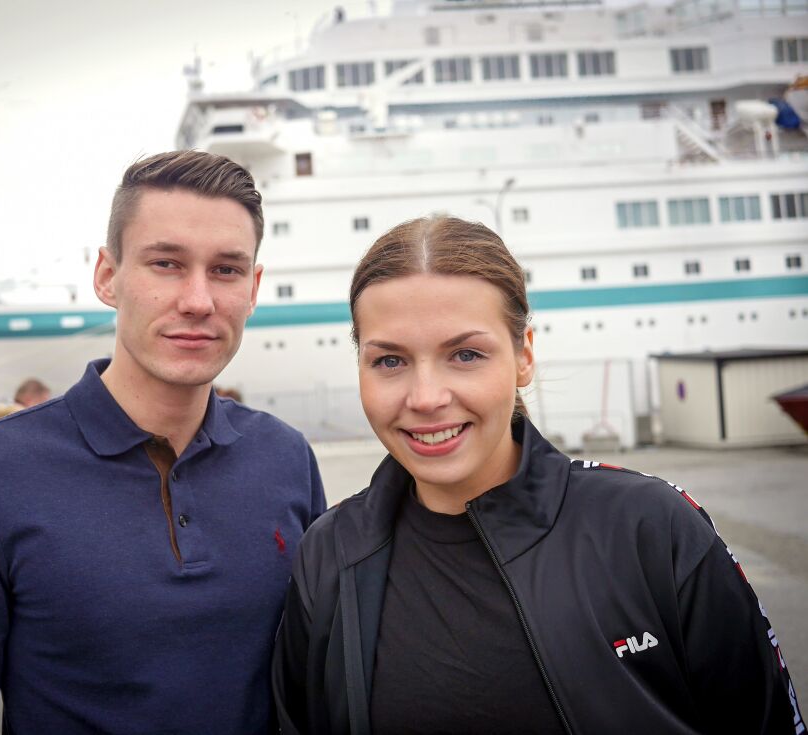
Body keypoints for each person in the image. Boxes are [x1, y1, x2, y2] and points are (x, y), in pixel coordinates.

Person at [272, 216, 801, 734]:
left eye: (466, 354)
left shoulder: (650, 527)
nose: (426, 398)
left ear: (524, 355)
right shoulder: (330, 554)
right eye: (389, 361)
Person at [0, 150, 326, 734]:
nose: (198, 300)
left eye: (226, 270)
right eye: (166, 263)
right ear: (107, 276)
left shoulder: (285, 457)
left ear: (252, 289)